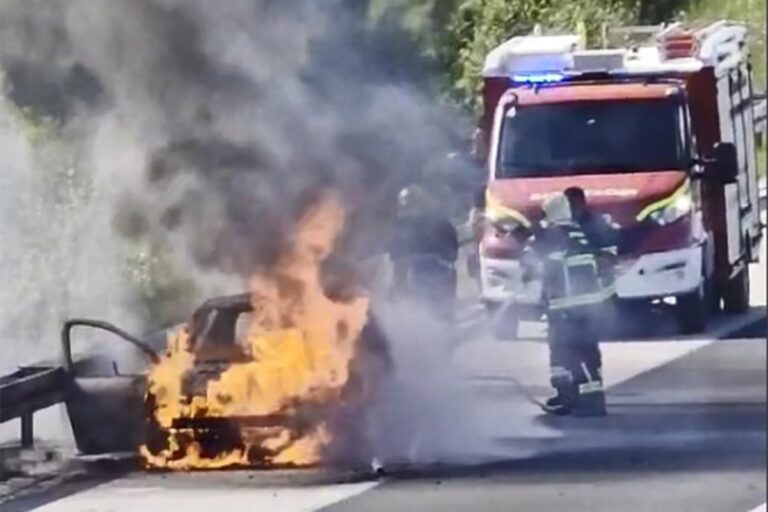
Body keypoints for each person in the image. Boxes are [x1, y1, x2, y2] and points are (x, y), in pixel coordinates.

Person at [523, 192, 612, 416]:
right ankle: (593, 400)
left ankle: (567, 396)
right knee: (588, 351)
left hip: (565, 308)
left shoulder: (551, 235)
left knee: (563, 354)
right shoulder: (577, 232)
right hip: (589, 307)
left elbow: (530, 263)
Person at [390, 185, 459, 317]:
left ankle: (446, 320)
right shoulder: (401, 226)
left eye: (411, 204)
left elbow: (452, 248)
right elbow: (397, 257)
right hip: (418, 273)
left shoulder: (439, 222)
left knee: (445, 305)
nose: (409, 209)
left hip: (438, 270)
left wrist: (446, 262)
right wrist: (397, 281)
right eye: (406, 205)